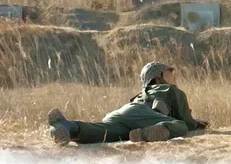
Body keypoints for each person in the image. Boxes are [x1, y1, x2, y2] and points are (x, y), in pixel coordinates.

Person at [47, 61, 209, 145]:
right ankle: (146, 134)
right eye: (169, 73)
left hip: (123, 113)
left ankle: (68, 127)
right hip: (143, 115)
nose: (174, 76)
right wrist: (196, 123)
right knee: (180, 126)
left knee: (101, 132)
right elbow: (186, 122)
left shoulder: (141, 94)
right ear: (158, 77)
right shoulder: (169, 89)